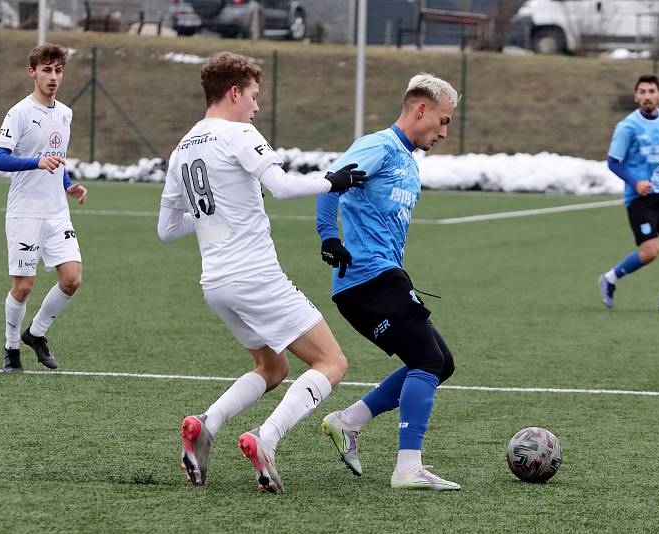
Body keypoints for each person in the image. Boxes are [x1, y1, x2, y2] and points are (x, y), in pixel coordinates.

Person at [157, 52, 367, 494]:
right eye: (253, 96)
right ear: (234, 92)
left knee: (272, 366)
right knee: (332, 362)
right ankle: (265, 439)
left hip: (215, 284)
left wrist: (213, 211)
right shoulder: (239, 133)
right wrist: (335, 182)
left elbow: (167, 229)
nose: (256, 106)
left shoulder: (182, 148)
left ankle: (206, 424)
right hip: (255, 278)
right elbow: (283, 187)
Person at [316, 73, 460, 491]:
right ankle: (407, 468)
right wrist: (329, 236)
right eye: (443, 121)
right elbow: (330, 183)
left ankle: (348, 421)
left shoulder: (406, 159)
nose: (445, 132)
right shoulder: (379, 146)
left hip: (384, 277)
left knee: (440, 363)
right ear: (421, 110)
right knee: (428, 361)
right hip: (367, 279)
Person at [0, 43, 87, 374]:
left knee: (72, 279)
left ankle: (37, 333)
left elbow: (57, 161)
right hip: (25, 212)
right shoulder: (18, 113)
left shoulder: (65, 113)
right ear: (32, 72)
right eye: (47, 70)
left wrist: (68, 184)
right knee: (24, 286)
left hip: (57, 211)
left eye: (58, 70)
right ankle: (11, 348)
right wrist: (36, 161)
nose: (53, 77)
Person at [600, 74, 659, 314]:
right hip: (639, 198)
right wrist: (635, 182)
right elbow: (613, 162)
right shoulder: (627, 127)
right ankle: (610, 278)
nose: (647, 96)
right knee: (651, 252)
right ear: (635, 97)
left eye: (651, 91)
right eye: (642, 92)